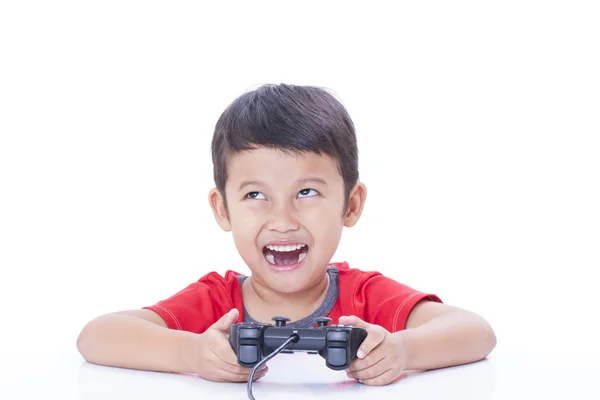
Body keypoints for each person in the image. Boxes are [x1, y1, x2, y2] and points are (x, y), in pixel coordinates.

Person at [76, 84, 496, 386]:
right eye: (255, 194)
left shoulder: (365, 295)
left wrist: (402, 351)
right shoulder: (218, 304)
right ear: (223, 210)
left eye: (307, 192)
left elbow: (475, 330)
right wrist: (191, 354)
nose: (283, 219)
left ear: (351, 205)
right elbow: (96, 336)